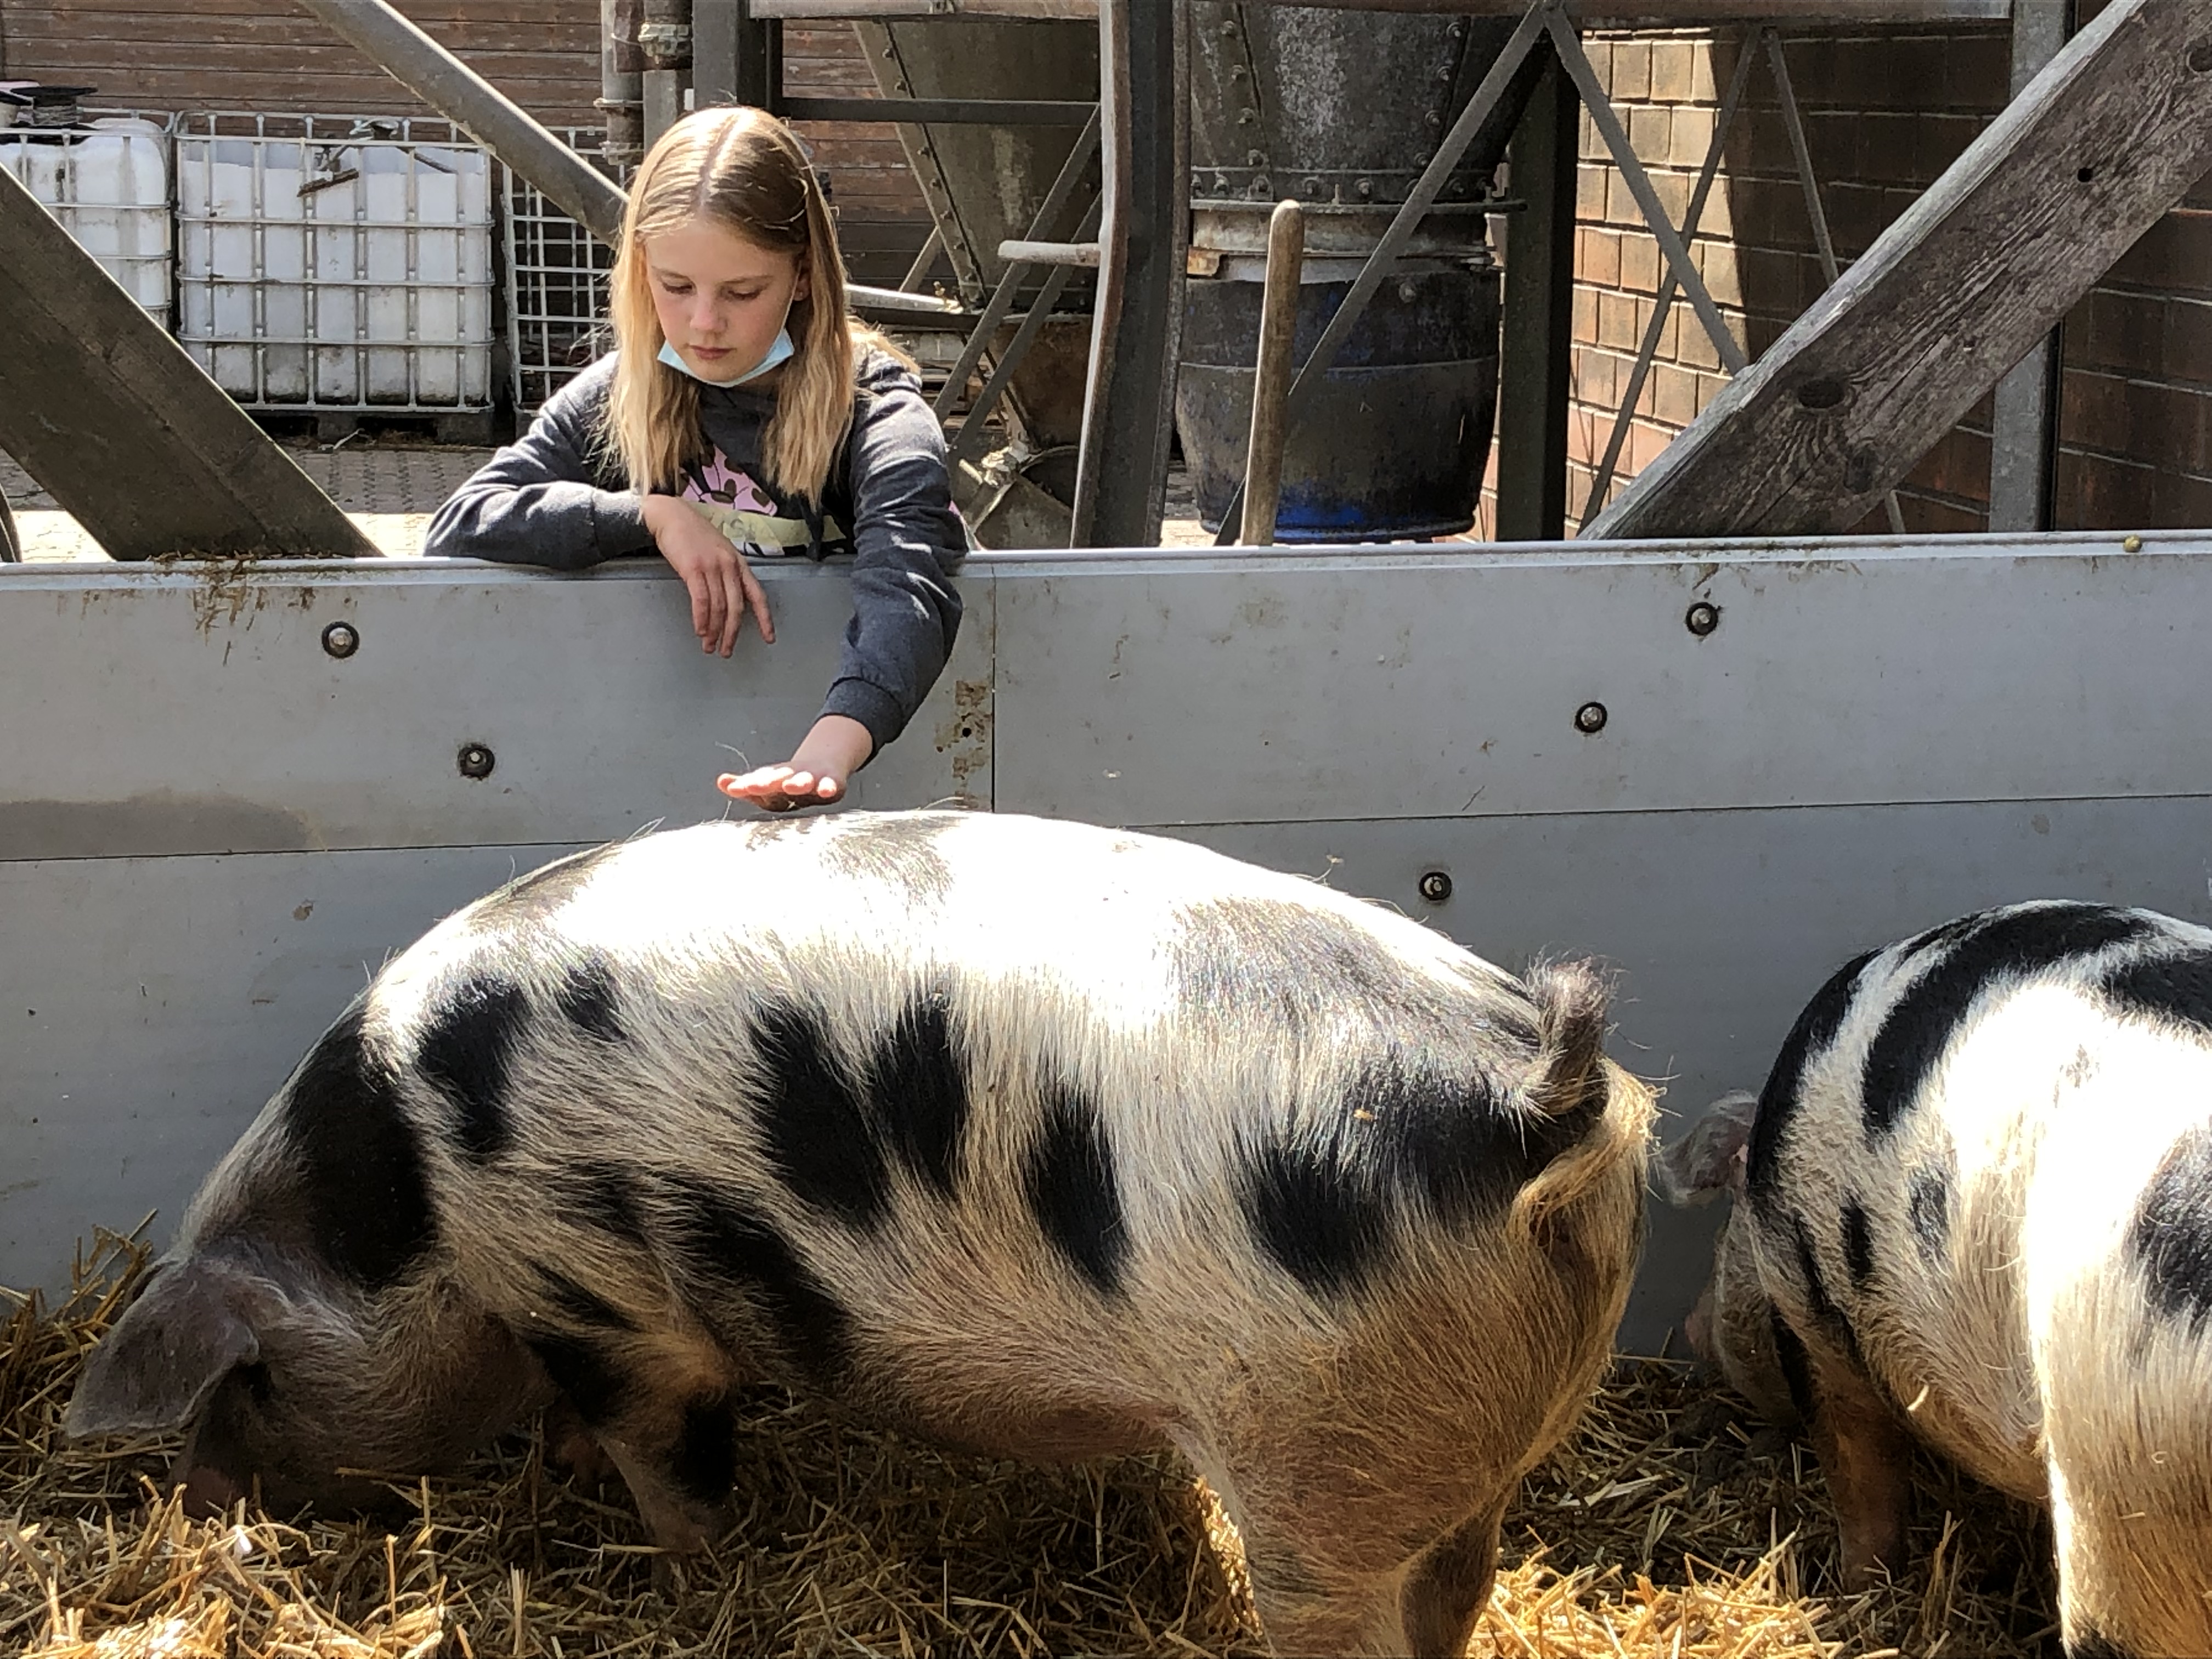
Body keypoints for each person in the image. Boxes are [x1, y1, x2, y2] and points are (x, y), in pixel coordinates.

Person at [426, 105, 963, 813]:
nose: (704, 323)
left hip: (886, 782)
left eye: (742, 292)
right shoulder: (621, 393)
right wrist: (651, 516)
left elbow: (909, 581)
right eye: (676, 287)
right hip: (669, 780)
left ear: (804, 276)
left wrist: (827, 754)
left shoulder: (878, 411)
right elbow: (462, 521)